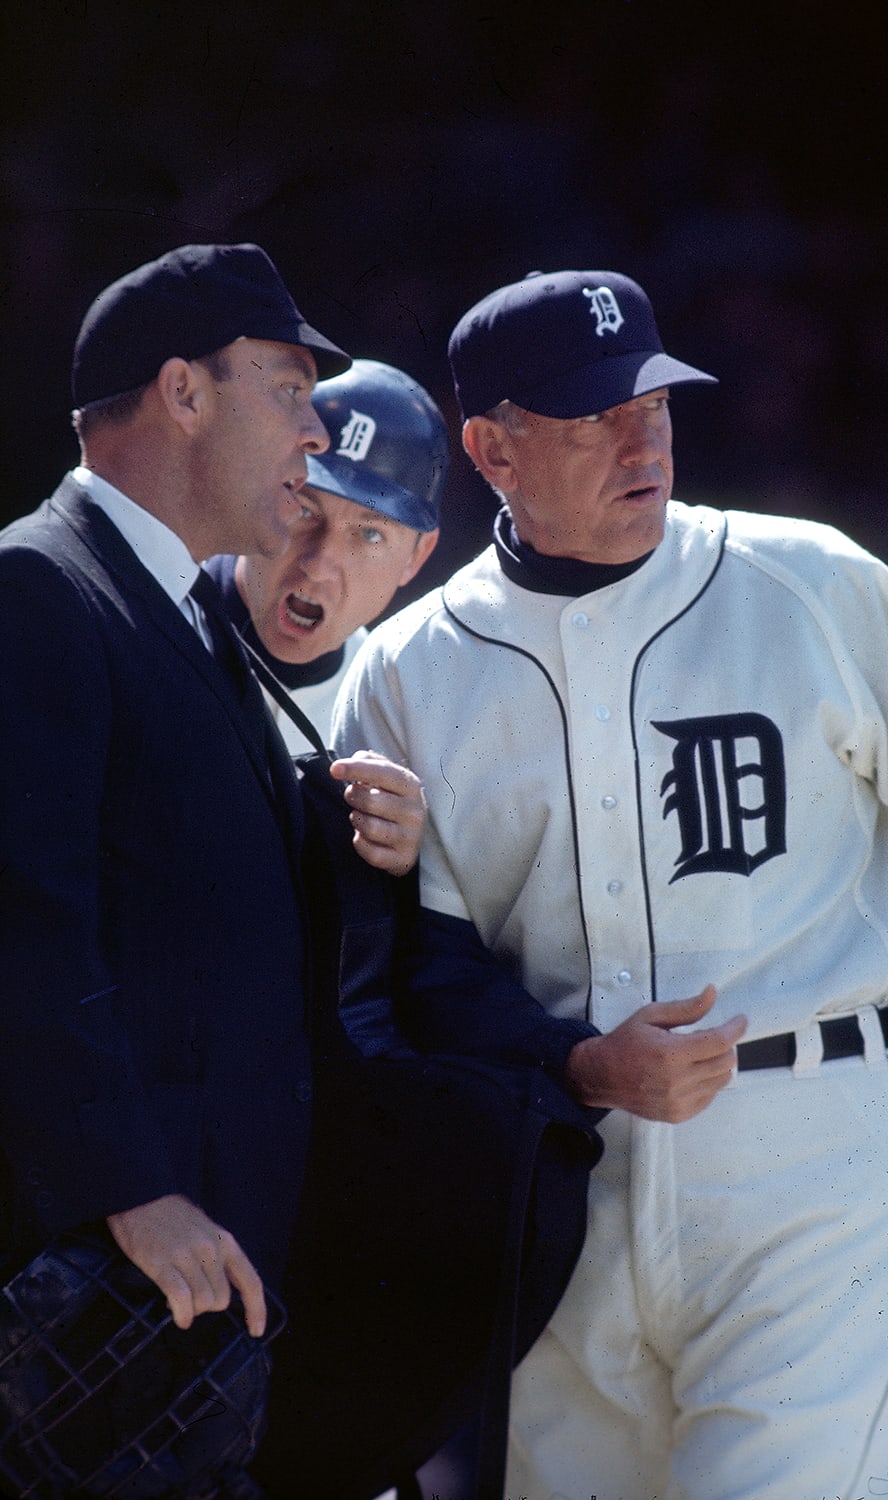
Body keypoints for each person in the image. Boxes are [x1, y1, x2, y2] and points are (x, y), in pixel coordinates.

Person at [332, 268, 888, 1499]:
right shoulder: (406, 670)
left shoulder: (810, 580)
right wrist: (577, 1067)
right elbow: (424, 966)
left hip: (822, 1167)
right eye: (593, 414)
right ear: (491, 448)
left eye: (652, 400)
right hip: (575, 1202)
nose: (641, 437)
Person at [0, 242, 423, 1493]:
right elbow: (25, 923)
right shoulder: (39, 584)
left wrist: (359, 852)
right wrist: (129, 1189)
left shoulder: (178, 608)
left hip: (187, 1305)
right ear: (184, 394)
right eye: (291, 392)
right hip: (93, 1293)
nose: (315, 431)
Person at [206, 358, 446, 753]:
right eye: (303, 509)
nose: (318, 564)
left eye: (370, 533)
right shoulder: (150, 615)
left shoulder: (396, 720)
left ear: (416, 557)